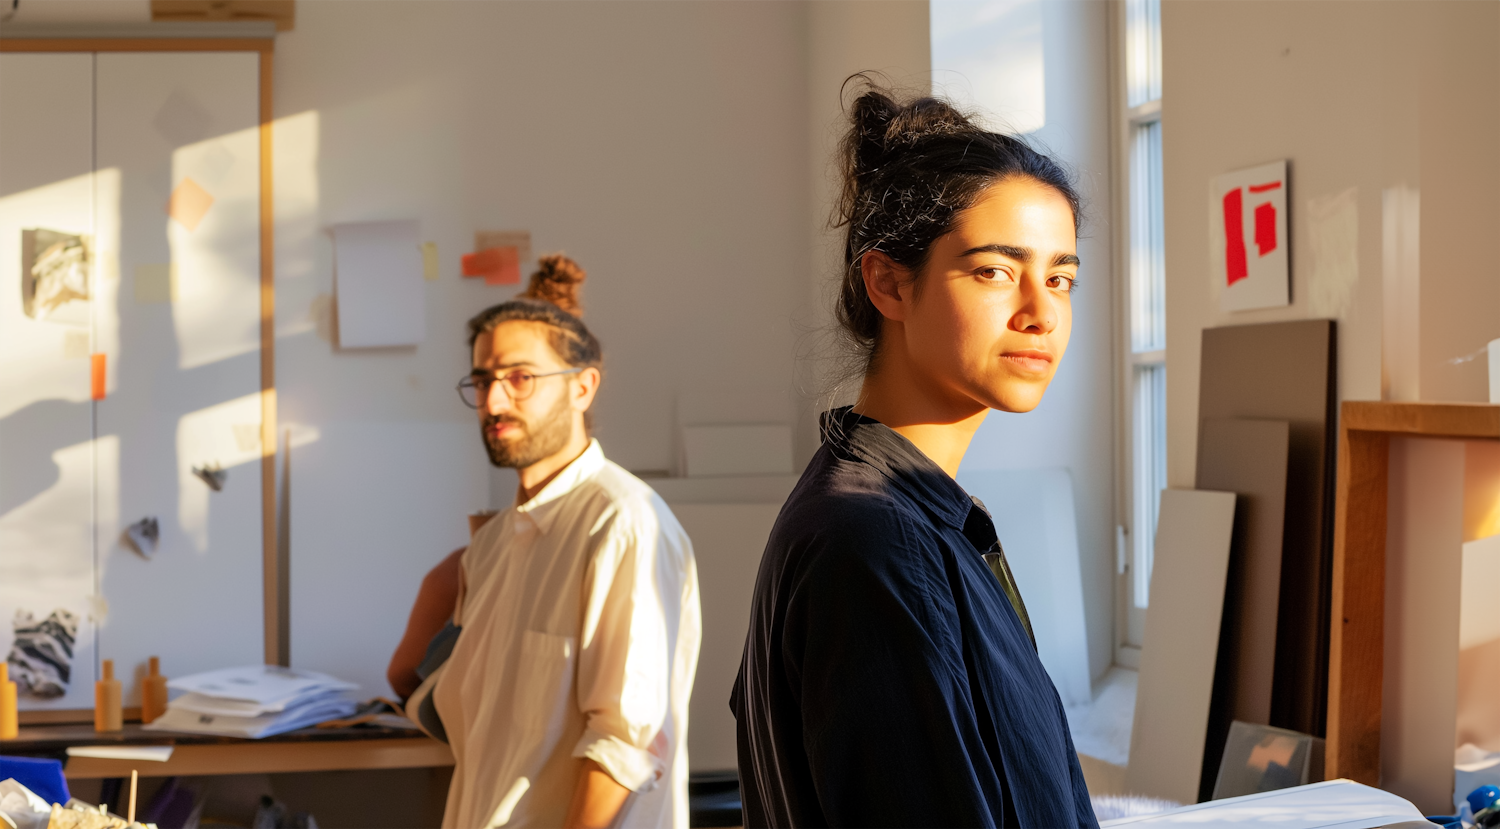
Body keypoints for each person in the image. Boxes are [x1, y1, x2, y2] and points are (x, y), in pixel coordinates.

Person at [731, 82, 1098, 828]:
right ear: (889, 282)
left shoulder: (905, 516)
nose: (1041, 312)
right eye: (995, 271)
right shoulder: (875, 541)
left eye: (1060, 277)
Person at [390, 255, 701, 829]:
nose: (494, 402)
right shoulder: (491, 547)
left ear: (582, 386)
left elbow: (625, 746)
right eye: (482, 381)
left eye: (519, 378)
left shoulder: (622, 523)